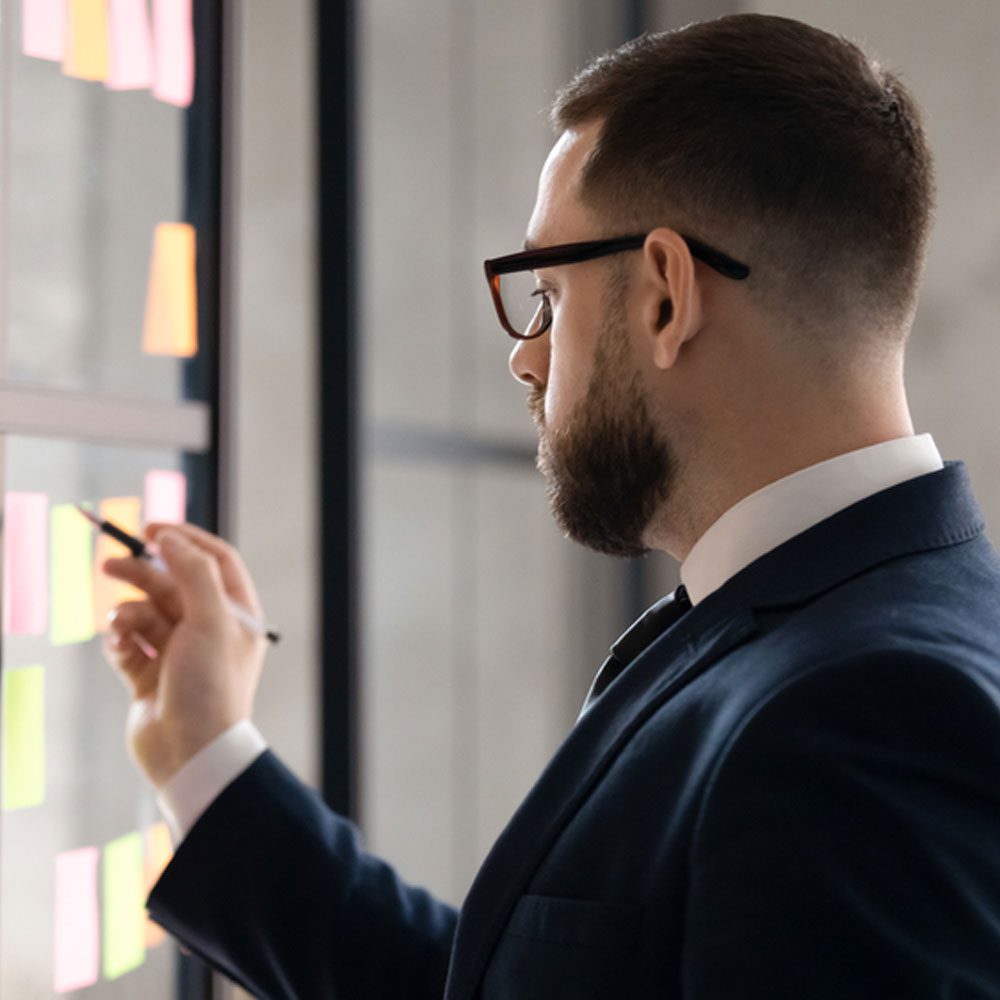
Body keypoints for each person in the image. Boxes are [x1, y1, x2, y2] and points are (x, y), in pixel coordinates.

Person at [103, 13, 1000, 999]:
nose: (524, 355)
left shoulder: (864, 718)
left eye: (549, 297)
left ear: (664, 294)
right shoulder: (830, 639)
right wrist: (208, 758)